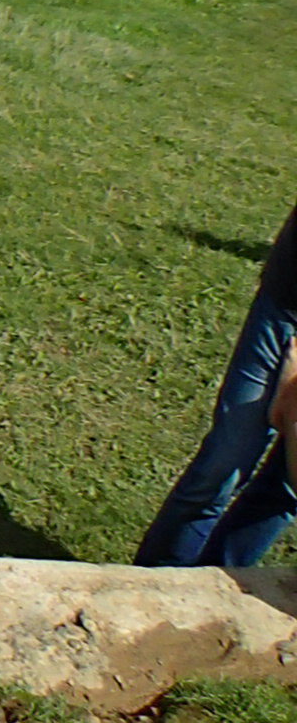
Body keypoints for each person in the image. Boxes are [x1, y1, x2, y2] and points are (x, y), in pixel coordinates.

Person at [137, 203, 297, 567]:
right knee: (223, 465)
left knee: (285, 490)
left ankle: (215, 589)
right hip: (288, 312)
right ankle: (154, 582)